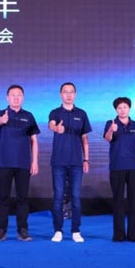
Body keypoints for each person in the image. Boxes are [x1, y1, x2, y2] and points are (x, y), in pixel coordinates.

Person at [0, 84, 40, 242]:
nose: (16, 97)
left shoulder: (29, 116)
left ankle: (23, 230)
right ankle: (1, 230)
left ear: (23, 98)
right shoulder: (1, 113)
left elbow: (34, 140)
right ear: (7, 98)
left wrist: (35, 162)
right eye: (13, 95)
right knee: (3, 198)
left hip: (23, 163)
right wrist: (2, 120)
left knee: (23, 199)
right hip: (4, 163)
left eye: (19, 95)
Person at [48, 82, 92, 243]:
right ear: (61, 94)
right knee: (58, 197)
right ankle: (58, 230)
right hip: (58, 162)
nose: (68, 95)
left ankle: (76, 230)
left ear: (75, 94)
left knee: (76, 197)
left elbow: (84, 138)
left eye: (71, 92)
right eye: (65, 92)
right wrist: (56, 129)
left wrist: (86, 159)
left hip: (76, 162)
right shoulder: (55, 112)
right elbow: (51, 125)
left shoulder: (81, 113)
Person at [103, 96, 135, 242]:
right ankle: (119, 235)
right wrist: (111, 130)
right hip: (117, 167)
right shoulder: (111, 123)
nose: (122, 110)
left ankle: (134, 235)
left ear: (129, 108)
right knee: (118, 201)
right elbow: (107, 138)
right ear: (116, 110)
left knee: (133, 201)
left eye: (125, 107)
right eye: (119, 108)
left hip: (134, 167)